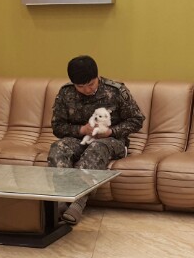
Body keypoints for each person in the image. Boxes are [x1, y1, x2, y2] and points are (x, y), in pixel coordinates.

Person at [48, 55, 145, 224]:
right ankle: (62, 199)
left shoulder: (116, 91)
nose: (87, 90)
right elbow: (57, 126)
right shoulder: (66, 93)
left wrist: (110, 131)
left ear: (97, 76)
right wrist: (81, 130)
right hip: (80, 139)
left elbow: (137, 120)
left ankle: (78, 202)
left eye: (91, 84)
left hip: (112, 140)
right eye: (80, 86)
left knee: (97, 147)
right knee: (58, 147)